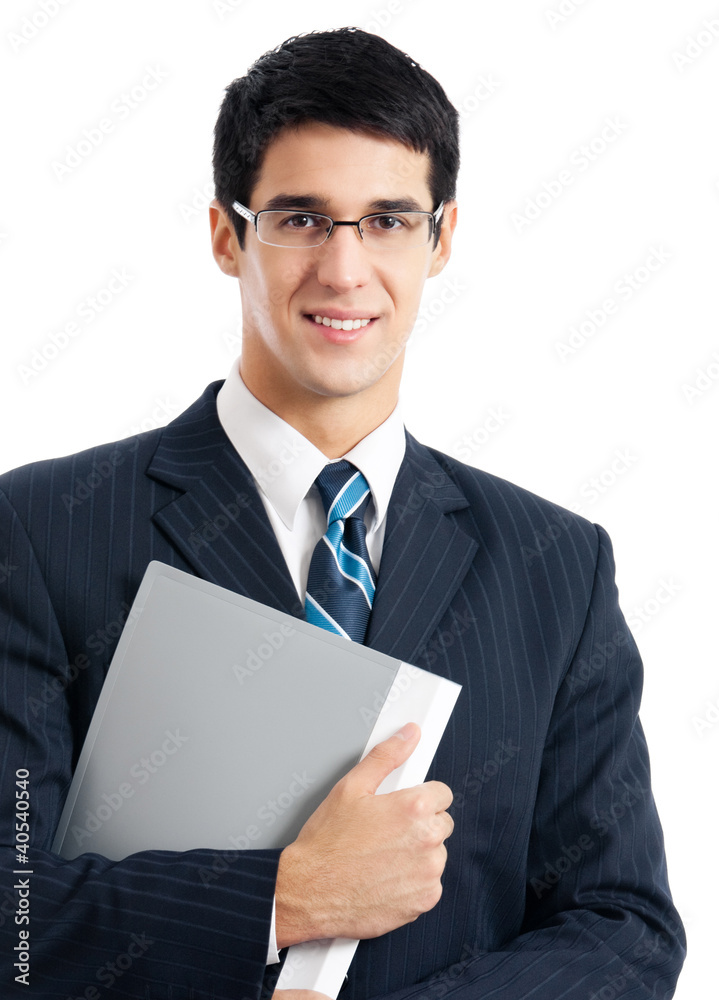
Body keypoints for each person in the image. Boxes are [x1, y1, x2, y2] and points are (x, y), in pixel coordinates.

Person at [0, 27, 685, 1000]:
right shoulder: (39, 532)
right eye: (302, 219)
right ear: (226, 233)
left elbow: (622, 929)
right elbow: (12, 920)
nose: (344, 269)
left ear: (440, 237)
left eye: (386, 221)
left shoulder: (554, 567)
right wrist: (280, 898)